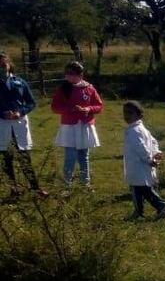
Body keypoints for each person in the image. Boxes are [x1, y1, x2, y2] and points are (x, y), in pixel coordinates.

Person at [0, 52, 46, 197]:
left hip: (19, 124)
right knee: (6, 158)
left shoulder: (20, 82)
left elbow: (31, 102)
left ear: (9, 64)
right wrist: (2, 114)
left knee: (24, 157)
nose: (2, 67)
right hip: (2, 124)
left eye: (4, 64)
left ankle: (35, 188)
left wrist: (20, 112)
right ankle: (13, 189)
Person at [51, 61, 103, 189]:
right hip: (69, 127)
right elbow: (55, 107)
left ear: (80, 75)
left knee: (84, 156)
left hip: (84, 126)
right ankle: (66, 185)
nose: (69, 76)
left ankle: (85, 184)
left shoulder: (89, 88)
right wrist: (70, 109)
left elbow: (99, 106)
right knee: (70, 157)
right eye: (67, 73)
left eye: (72, 73)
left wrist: (88, 109)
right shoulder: (63, 89)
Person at [122, 101, 165, 219]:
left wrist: (149, 159)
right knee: (141, 189)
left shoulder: (134, 131)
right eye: (125, 113)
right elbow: (154, 142)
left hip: (138, 167)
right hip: (141, 166)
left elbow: (141, 148)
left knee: (141, 190)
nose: (126, 115)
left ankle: (161, 206)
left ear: (139, 115)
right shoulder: (141, 129)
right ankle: (139, 212)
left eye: (130, 113)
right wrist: (156, 153)